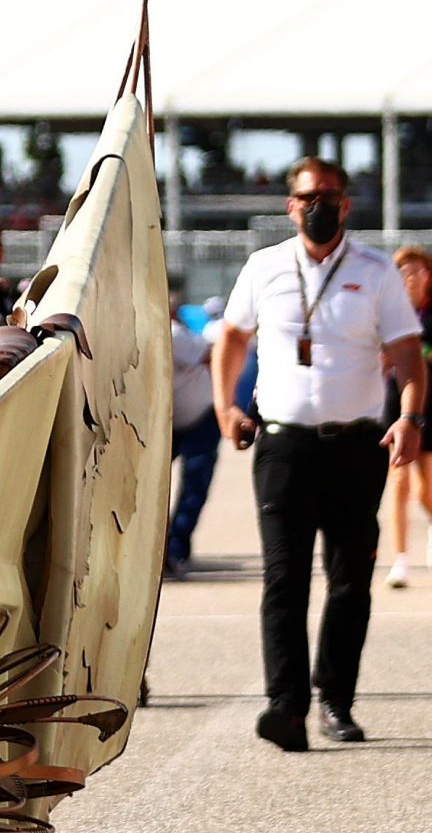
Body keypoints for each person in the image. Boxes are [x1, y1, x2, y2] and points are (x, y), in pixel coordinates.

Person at [213, 157, 425, 749]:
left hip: (357, 445)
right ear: (290, 205)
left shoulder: (375, 271)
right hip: (283, 446)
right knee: (283, 578)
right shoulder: (265, 267)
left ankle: (335, 699)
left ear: (346, 203)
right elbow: (231, 337)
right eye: (307, 196)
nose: (317, 205)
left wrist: (410, 416)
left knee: (350, 579)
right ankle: (286, 706)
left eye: (328, 196)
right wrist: (228, 405)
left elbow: (407, 352)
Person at [385, 244, 432, 587]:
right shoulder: (390, 313)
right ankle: (400, 561)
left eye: (418, 270)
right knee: (398, 482)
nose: (412, 277)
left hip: (431, 406)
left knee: (425, 488)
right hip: (395, 405)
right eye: (405, 271)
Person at [168, 287, 218, 577]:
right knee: (192, 487)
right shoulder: (174, 332)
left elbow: (209, 355)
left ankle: (174, 548)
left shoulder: (175, 333)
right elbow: (212, 354)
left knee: (192, 486)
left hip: (196, 417)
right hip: (182, 417)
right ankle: (172, 548)